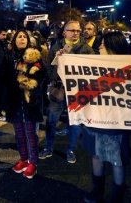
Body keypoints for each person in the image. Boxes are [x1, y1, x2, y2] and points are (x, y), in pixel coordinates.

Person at [83, 31, 131, 202]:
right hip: (95, 120)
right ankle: (97, 190)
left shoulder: (130, 66)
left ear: (113, 46)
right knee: (96, 155)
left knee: (116, 159)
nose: (99, 46)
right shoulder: (93, 65)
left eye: (103, 44)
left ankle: (118, 193)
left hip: (116, 122)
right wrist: (61, 59)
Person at [40, 20, 95, 164]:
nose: (76, 33)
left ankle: (70, 149)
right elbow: (49, 72)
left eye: (78, 30)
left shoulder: (87, 50)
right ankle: (48, 147)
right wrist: (57, 61)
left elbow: (94, 72)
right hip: (58, 90)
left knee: (75, 123)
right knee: (51, 121)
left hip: (77, 92)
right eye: (72, 30)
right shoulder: (56, 46)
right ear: (65, 32)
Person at [4, 30, 45, 179]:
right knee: (19, 134)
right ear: (14, 40)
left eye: (24, 37)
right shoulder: (8, 56)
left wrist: (30, 82)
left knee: (30, 134)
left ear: (28, 40)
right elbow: (2, 76)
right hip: (14, 103)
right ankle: (23, 159)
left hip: (30, 103)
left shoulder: (33, 56)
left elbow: (42, 75)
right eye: (19, 36)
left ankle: (33, 162)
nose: (22, 39)